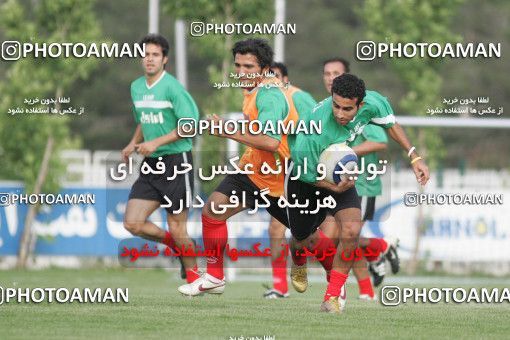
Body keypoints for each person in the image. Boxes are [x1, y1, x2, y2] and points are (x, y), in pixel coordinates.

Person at [286, 73, 429, 313]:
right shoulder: (315, 131)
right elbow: (304, 171)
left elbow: (391, 124)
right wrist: (332, 186)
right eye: (336, 106)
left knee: (351, 230)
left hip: (339, 175)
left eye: (347, 108)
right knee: (302, 239)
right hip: (305, 178)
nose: (340, 113)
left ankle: (332, 297)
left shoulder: (373, 102)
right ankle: (298, 261)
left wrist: (414, 156)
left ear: (360, 105)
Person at [178, 38, 297, 296]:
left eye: (249, 67)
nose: (241, 72)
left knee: (307, 235)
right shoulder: (251, 90)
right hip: (253, 171)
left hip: (278, 180)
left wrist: (227, 131)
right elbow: (255, 130)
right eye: (238, 66)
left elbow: (270, 141)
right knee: (212, 212)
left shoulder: (270, 96)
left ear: (264, 70)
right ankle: (214, 277)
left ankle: (338, 278)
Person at [122, 34, 199, 284]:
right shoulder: (136, 87)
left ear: (164, 59)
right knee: (132, 223)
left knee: (178, 228)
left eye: (155, 54)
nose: (149, 59)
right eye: (145, 54)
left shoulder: (173, 88)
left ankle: (195, 281)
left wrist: (155, 142)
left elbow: (190, 125)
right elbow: (144, 120)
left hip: (177, 162)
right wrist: (134, 142)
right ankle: (177, 246)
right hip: (152, 165)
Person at [262, 62, 316, 299]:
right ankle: (279, 286)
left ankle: (337, 284)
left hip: (301, 172)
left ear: (285, 79)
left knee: (316, 232)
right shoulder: (261, 99)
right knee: (275, 227)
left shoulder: (300, 98)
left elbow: (318, 128)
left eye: (275, 77)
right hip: (276, 173)